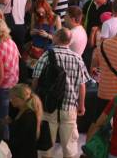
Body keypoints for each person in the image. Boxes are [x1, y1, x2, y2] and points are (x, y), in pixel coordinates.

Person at [32, 28, 90, 158]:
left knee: (46, 146)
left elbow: (36, 78)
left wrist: (34, 98)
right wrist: (81, 105)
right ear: (69, 41)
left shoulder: (47, 55)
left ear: (57, 37)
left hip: (48, 106)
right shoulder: (77, 58)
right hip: (69, 108)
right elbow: (82, 84)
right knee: (69, 147)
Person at [8, 83, 42, 158]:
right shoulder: (20, 110)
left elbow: (19, 138)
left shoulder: (28, 116)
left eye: (12, 97)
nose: (10, 100)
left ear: (20, 98)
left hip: (24, 154)